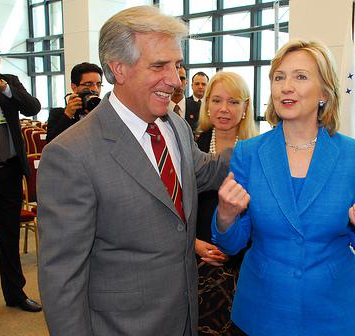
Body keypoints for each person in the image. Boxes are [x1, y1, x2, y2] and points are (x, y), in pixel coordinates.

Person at [37, 6, 231, 336]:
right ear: (118, 69)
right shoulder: (71, 154)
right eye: (159, 66)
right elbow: (62, 278)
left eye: (177, 65)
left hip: (183, 318)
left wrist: (280, 141)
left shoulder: (175, 126)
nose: (174, 80)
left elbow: (207, 171)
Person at [212, 39, 355, 336]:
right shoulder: (248, 153)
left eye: (301, 77)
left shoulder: (354, 155)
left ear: (324, 93)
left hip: (337, 312)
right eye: (279, 77)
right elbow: (231, 245)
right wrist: (226, 216)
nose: (286, 86)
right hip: (263, 311)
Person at [0, 32, 42, 331]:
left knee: (9, 240)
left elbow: (32, 107)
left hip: (10, 174)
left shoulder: (8, 83)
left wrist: (3, 88)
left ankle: (15, 293)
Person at [194, 71, 257, 335]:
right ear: (207, 104)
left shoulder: (257, 150)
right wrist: (193, 244)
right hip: (195, 258)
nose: (223, 109)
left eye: (233, 102)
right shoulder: (190, 144)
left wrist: (233, 247)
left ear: (245, 107)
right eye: (216, 100)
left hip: (243, 260)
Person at [46, 62, 103, 142]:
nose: (95, 89)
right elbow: (51, 144)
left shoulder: (104, 111)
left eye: (98, 84)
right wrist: (68, 115)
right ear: (74, 87)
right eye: (88, 84)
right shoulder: (58, 114)